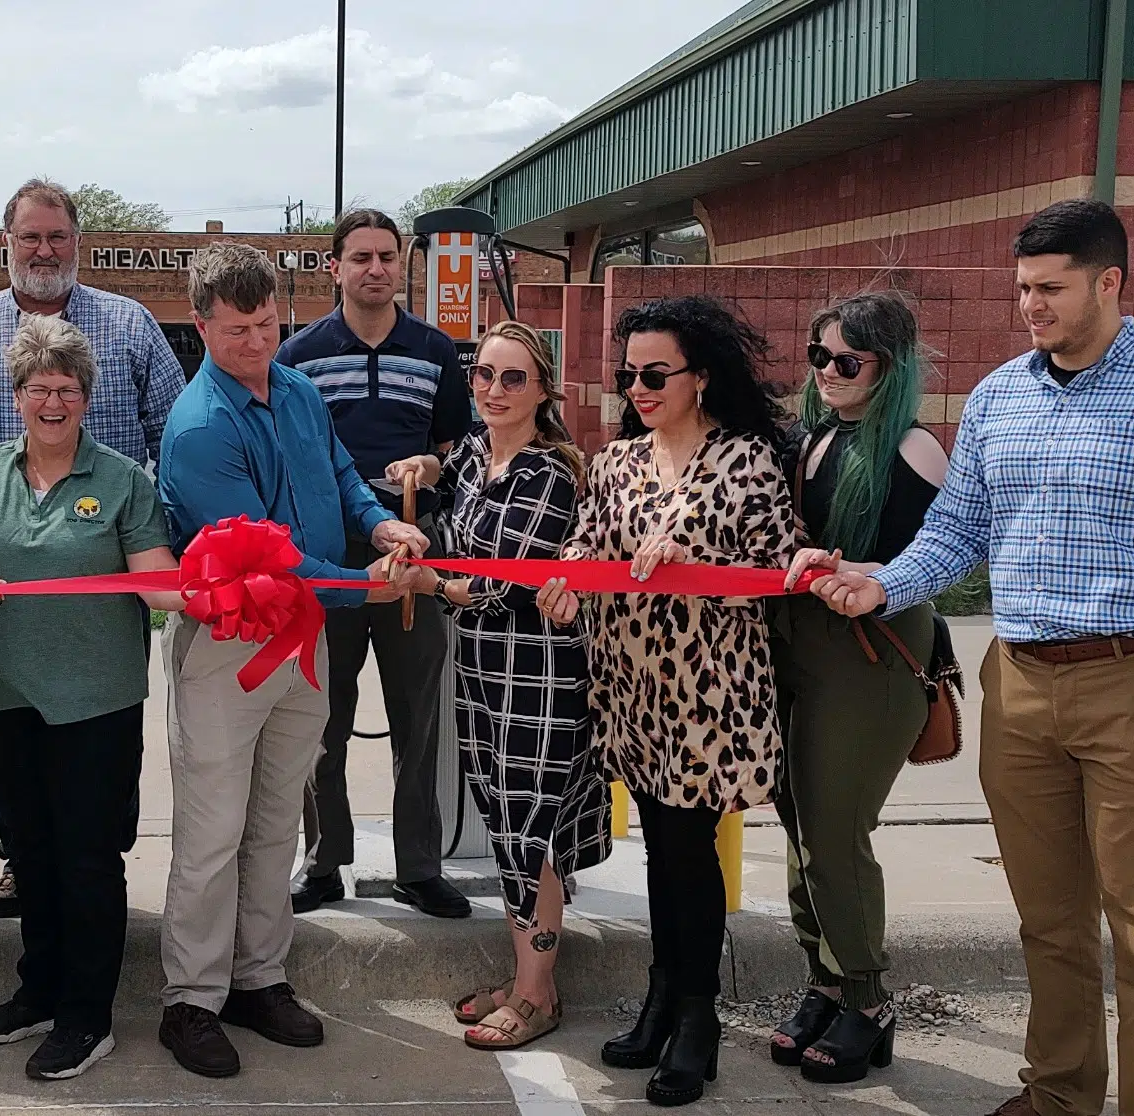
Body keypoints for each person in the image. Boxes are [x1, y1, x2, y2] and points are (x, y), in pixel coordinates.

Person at [807, 199, 1134, 1116]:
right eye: (1023, 287)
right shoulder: (999, 396)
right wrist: (883, 585)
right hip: (1019, 685)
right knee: (1049, 921)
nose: (1032, 305)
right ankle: (1059, 1093)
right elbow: (958, 533)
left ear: (1110, 282)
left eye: (1051, 287)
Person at [153, 243, 429, 1079]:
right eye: (237, 332)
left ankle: (258, 977)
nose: (257, 344)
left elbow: (341, 477)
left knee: (276, 822)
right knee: (211, 831)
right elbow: (266, 563)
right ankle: (191, 1000)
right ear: (201, 327)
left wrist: (381, 525)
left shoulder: (301, 389)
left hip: (302, 638)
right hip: (232, 647)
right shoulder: (199, 427)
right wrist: (370, 590)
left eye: (269, 324)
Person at [0, 178, 187, 920]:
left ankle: (96, 863)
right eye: (31, 237)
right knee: (13, 736)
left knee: (100, 756)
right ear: (8, 244)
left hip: (103, 586)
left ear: (77, 242)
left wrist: (160, 556)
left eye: (57, 236)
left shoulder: (129, 325)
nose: (45, 250)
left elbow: (175, 441)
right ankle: (21, 866)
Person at [534, 294, 800, 1108]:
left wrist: (696, 549)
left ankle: (696, 1019)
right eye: (628, 375)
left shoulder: (747, 459)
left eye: (655, 373)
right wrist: (568, 579)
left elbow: (782, 559)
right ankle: (663, 997)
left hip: (708, 693)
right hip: (631, 687)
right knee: (659, 849)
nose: (637, 388)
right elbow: (589, 540)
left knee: (688, 856)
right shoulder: (616, 462)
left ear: (701, 376)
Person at [0, 315, 186, 1081]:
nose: (52, 402)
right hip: (4, 693)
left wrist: (232, 583)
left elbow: (159, 579)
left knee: (87, 858)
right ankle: (37, 990)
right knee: (30, 853)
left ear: (86, 399)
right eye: (39, 388)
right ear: (16, 396)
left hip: (96, 704)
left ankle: (86, 1014)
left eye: (66, 390)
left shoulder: (123, 480)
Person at [383, 321, 607, 1050]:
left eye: (513, 378)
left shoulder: (547, 472)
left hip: (539, 674)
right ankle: (522, 978)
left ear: (544, 389)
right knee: (507, 819)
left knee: (529, 830)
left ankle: (538, 995)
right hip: (482, 668)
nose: (493, 390)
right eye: (483, 374)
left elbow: (500, 584)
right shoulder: (479, 450)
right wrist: (427, 466)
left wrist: (429, 580)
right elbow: (454, 490)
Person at [763, 291, 950, 1084]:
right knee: (800, 824)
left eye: (848, 361)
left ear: (890, 366)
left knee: (835, 830)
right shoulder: (808, 440)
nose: (828, 373)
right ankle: (827, 982)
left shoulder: (915, 449)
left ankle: (868, 1000)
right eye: (818, 357)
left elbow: (941, 555)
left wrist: (871, 573)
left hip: (874, 652)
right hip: (798, 646)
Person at [276, 208, 473, 919]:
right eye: (360, 257)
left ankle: (419, 867)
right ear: (336, 267)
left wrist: (431, 463)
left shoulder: (435, 349)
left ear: (402, 265)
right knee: (320, 716)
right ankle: (324, 858)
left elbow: (460, 447)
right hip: (330, 555)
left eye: (387, 257)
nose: (375, 269)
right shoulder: (297, 355)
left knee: (417, 716)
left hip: (413, 548)